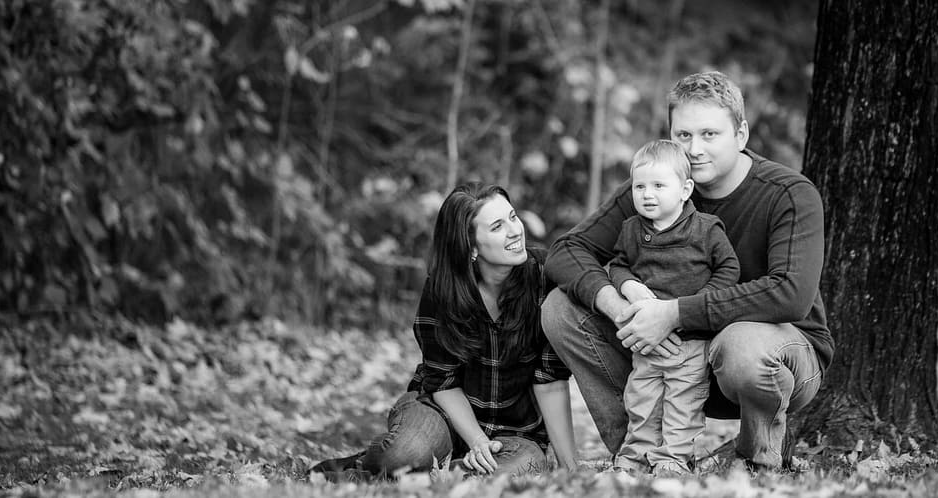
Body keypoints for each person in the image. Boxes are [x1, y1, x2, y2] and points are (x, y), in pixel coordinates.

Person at [541, 70, 834, 471]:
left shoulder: (789, 195)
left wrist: (673, 314)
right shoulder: (656, 188)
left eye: (710, 134)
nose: (694, 149)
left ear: (742, 134)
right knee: (560, 309)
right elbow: (566, 250)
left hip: (773, 359)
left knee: (741, 346)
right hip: (670, 360)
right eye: (683, 135)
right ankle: (643, 454)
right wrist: (620, 305)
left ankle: (756, 459)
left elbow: (790, 294)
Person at [313, 183, 578, 480]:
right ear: (472, 247)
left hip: (515, 431)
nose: (515, 231)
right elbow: (443, 382)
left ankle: (414, 478)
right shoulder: (444, 290)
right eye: (497, 226)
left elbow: (550, 381)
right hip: (442, 414)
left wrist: (571, 469)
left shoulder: (543, 278)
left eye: (513, 217)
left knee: (527, 467)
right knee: (403, 453)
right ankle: (400, 467)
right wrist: (476, 440)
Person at [607, 139, 740, 475]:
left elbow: (729, 269)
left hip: (690, 340)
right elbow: (619, 265)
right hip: (647, 341)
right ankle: (635, 457)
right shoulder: (632, 229)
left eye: (658, 186)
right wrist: (629, 286)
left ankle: (672, 459)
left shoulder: (706, 229)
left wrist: (701, 302)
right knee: (642, 400)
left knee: (683, 403)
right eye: (640, 186)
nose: (647, 194)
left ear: (685, 190)